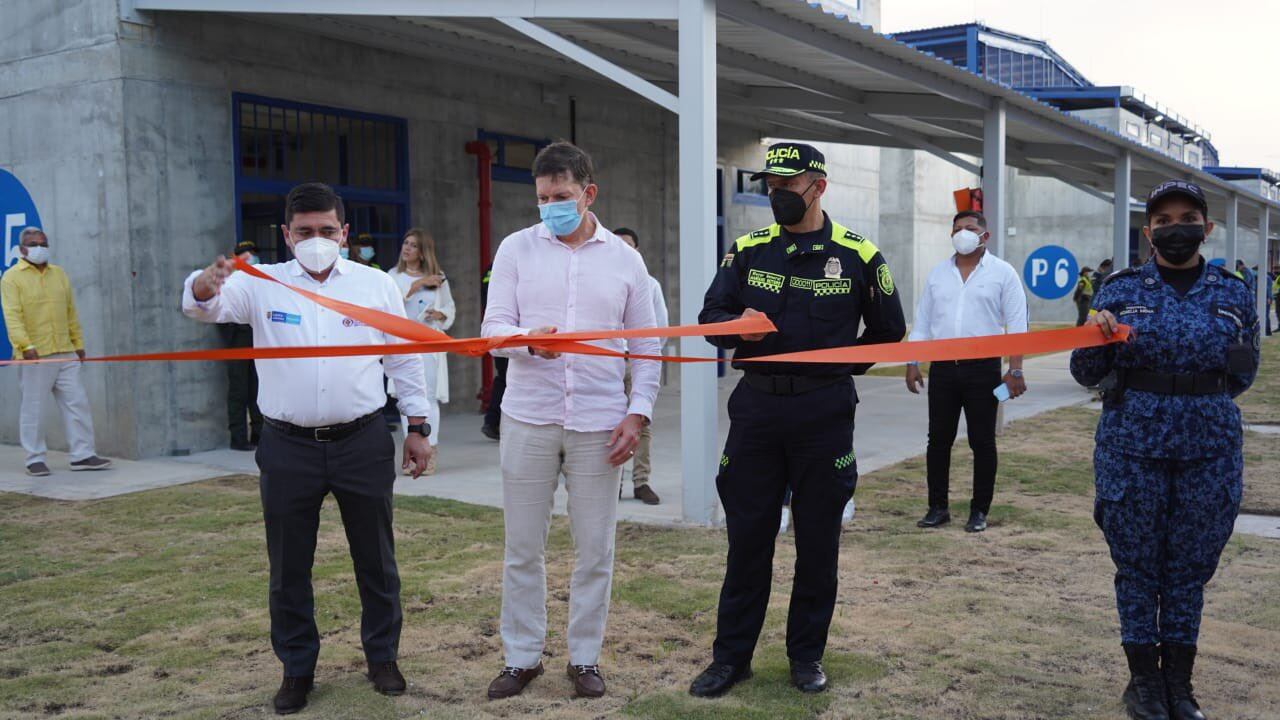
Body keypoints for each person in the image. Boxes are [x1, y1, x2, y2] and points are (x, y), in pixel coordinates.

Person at [182, 182, 434, 715]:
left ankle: (382, 657)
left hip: (362, 440)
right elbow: (204, 307)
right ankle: (297, 668)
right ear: (285, 235)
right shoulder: (262, 284)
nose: (316, 240)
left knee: (377, 559)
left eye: (326, 231)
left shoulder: (374, 286)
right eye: (304, 232)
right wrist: (204, 284)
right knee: (288, 566)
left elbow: (405, 359)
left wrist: (418, 425)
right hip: (287, 446)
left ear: (343, 233)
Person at [692, 142, 905, 698]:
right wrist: (739, 326)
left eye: (788, 185)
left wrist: (840, 367)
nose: (777, 195)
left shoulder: (859, 255)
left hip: (823, 413)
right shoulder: (746, 250)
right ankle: (730, 659)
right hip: (758, 411)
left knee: (818, 544)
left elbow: (889, 330)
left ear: (819, 187)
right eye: (771, 186)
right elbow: (709, 319)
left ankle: (806, 656)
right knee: (748, 542)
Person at [1070, 180, 1258, 720]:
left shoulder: (1233, 292)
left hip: (1209, 451)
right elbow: (1087, 374)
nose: (1177, 228)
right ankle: (1143, 686)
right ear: (1148, 231)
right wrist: (1095, 336)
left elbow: (1243, 374)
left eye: (1188, 217)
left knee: (1188, 571)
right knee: (1137, 570)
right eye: (1165, 220)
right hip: (1132, 448)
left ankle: (1180, 684)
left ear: (1207, 227)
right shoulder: (1119, 289)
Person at [481, 142, 660, 701]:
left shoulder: (626, 262)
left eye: (561, 196)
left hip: (599, 424)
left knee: (595, 548)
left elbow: (648, 346)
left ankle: (584, 658)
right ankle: (521, 657)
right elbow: (493, 331)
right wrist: (529, 344)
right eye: (542, 198)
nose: (551, 207)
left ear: (589, 193)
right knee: (522, 547)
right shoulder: (515, 251)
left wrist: (638, 412)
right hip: (528, 419)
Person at [907, 211, 1029, 533]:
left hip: (984, 371)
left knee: (982, 442)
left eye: (970, 228)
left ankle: (979, 511)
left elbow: (1017, 325)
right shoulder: (937, 274)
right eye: (957, 228)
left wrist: (1014, 370)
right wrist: (912, 362)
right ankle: (938, 507)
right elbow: (922, 323)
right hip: (943, 371)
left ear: (984, 236)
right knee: (938, 441)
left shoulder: (1003, 274)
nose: (963, 233)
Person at [1, 227, 112, 476]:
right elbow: (12, 316)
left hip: (65, 351)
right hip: (35, 356)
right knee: (34, 408)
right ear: (22, 249)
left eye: (43, 243)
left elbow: (71, 312)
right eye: (33, 243)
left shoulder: (59, 275)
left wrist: (78, 343)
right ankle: (34, 458)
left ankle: (83, 455)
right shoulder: (11, 278)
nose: (39, 247)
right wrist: (25, 346)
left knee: (77, 404)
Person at [387, 228, 454, 475]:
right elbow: (389, 308)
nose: (407, 248)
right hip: (404, 345)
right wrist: (417, 285)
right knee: (407, 398)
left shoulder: (438, 277)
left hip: (430, 346)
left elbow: (449, 306)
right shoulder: (392, 276)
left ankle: (430, 450)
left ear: (423, 251)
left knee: (429, 398)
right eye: (405, 243)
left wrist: (441, 315)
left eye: (413, 245)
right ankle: (412, 453)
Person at [613, 227, 666, 505]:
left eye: (629, 246)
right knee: (607, 423)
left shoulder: (650, 285)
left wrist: (643, 359)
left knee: (641, 423)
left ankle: (641, 482)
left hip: (635, 362)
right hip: (606, 364)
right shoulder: (599, 281)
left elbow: (661, 328)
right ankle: (614, 483)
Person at [219, 239, 264, 451]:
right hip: (237, 342)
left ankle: (259, 434)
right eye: (246, 254)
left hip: (259, 343)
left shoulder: (261, 279)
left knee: (258, 389)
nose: (251, 258)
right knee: (239, 392)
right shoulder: (231, 281)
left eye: (252, 254)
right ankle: (238, 438)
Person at [480, 266, 507, 441]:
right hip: (510, 333)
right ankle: (493, 421)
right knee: (506, 378)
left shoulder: (491, 269)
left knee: (502, 378)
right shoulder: (502, 268)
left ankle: (492, 421)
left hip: (501, 332)